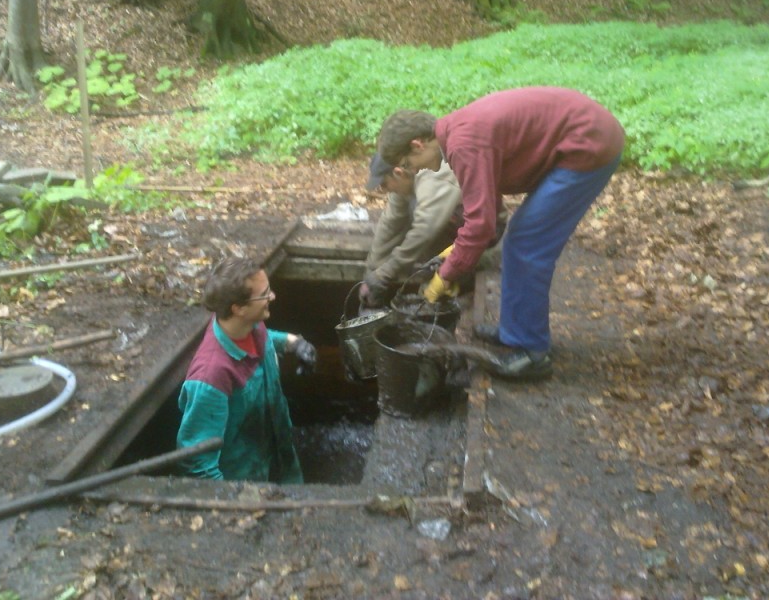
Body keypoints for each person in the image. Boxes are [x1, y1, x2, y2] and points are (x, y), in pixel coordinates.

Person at [376, 86, 624, 381]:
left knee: (528, 243)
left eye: (407, 164)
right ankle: (515, 333)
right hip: (583, 134)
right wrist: (451, 255)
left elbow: (480, 227)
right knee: (519, 238)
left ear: (417, 145)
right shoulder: (455, 135)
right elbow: (486, 208)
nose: (412, 171)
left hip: (588, 145)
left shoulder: (462, 145)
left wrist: (446, 275)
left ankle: (533, 354)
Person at [176, 256, 317, 482]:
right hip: (246, 481)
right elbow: (198, 464)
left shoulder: (248, 325)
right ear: (238, 308)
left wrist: (293, 343)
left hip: (278, 457)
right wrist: (234, 507)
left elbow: (263, 338)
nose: (272, 297)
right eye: (265, 294)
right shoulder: (211, 378)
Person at [359, 152, 463, 308]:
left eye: (384, 184)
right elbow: (391, 223)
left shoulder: (433, 178)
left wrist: (384, 274)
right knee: (411, 210)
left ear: (397, 173)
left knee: (419, 215)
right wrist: (372, 273)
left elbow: (424, 230)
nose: (383, 189)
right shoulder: (404, 178)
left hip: (482, 230)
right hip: (442, 226)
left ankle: (453, 284)